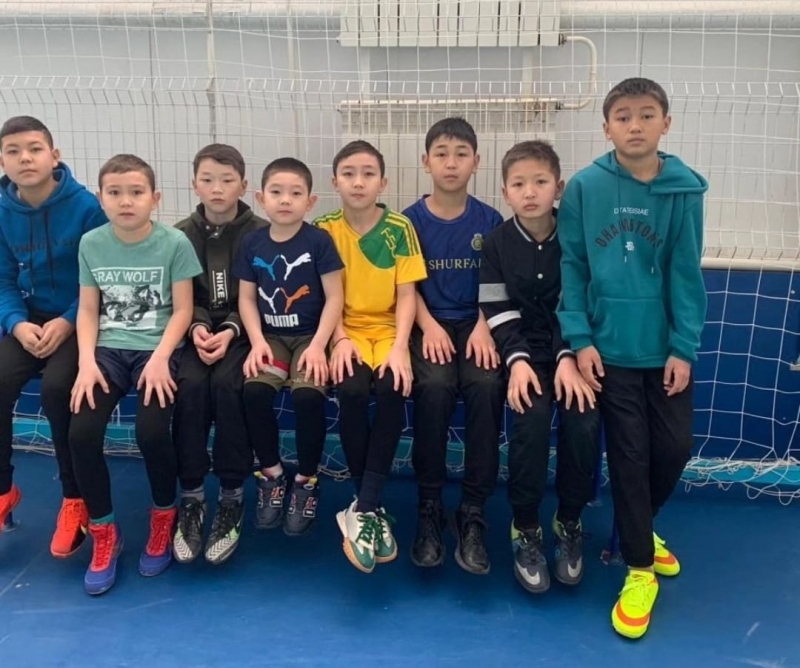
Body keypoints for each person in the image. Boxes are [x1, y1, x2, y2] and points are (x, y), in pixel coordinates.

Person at [557, 77, 708, 638]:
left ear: (666, 123)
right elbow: (573, 265)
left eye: (647, 114)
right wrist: (580, 338)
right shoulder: (585, 187)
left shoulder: (684, 190)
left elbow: (686, 272)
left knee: (674, 448)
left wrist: (683, 347)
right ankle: (639, 567)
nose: (635, 125)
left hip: (663, 350)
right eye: (623, 116)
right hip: (607, 351)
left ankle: (638, 525)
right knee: (627, 455)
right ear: (607, 128)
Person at [69, 154, 202, 595]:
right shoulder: (91, 243)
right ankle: (104, 530)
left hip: (157, 351)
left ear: (155, 198)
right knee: (81, 432)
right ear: (101, 198)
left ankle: (164, 516)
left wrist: (163, 356)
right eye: (115, 192)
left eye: (136, 192)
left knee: (151, 431)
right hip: (107, 351)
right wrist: (86, 361)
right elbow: (89, 309)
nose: (126, 201)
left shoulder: (174, 243)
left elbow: (182, 310)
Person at [480, 140, 599, 595]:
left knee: (584, 420)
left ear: (558, 188)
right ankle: (526, 525)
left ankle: (569, 520)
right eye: (518, 184)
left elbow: (578, 301)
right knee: (529, 423)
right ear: (505, 192)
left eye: (540, 182)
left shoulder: (576, 238)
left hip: (573, 350)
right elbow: (497, 308)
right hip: (521, 357)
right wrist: (517, 361)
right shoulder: (496, 243)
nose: (529, 192)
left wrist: (568, 354)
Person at [314, 140, 427, 573]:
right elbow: (324, 297)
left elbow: (407, 295)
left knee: (394, 387)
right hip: (344, 330)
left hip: (389, 332)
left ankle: (362, 507)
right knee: (353, 390)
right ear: (335, 182)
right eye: (348, 173)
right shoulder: (323, 229)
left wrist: (400, 348)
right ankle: (369, 505)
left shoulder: (400, 227)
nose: (358, 182)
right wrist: (339, 339)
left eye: (367, 174)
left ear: (383, 182)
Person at [0, 115, 106, 557]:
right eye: (13, 151)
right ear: (2, 161)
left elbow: (102, 277)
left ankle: (74, 498)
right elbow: (3, 279)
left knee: (59, 389)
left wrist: (68, 321)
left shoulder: (86, 208)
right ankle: (3, 490)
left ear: (54, 155)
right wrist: (15, 323)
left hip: (80, 319)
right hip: (28, 321)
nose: (25, 158)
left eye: (34, 149)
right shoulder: (2, 211)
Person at [403, 117, 504, 574]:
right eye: (441, 154)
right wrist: (428, 325)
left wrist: (483, 324)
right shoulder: (408, 222)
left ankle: (473, 510)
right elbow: (405, 288)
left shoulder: (490, 221)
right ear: (426, 162)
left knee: (486, 387)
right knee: (435, 388)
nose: (451, 163)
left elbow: (498, 284)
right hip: (428, 323)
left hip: (478, 323)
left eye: (461, 154)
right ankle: (429, 507)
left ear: (476, 162)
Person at [235, 157, 343, 538]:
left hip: (311, 338)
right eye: (277, 192)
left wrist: (319, 345)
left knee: (308, 397)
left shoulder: (318, 241)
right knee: (254, 391)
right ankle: (272, 473)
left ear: (310, 202)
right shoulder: (252, 243)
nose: (285, 200)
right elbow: (247, 299)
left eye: (295, 193)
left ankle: (306, 480)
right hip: (272, 340)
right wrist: (256, 342)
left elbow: (335, 297)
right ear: (260, 198)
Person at [172, 144, 267, 566]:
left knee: (231, 386)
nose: (217, 189)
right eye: (208, 180)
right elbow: (179, 295)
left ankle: (231, 496)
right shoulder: (179, 235)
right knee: (190, 386)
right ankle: (192, 496)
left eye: (227, 181)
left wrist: (230, 330)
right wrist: (196, 326)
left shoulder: (261, 233)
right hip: (193, 333)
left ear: (243, 185)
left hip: (244, 333)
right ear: (194, 184)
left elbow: (263, 295)